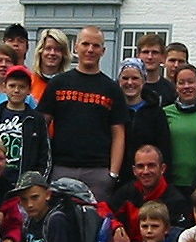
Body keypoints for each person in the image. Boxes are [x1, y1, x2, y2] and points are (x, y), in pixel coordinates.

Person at [38, 25, 127, 202]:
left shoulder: (112, 89)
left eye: (96, 46)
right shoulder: (58, 84)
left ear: (103, 50)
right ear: (76, 47)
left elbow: (119, 134)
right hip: (61, 168)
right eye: (85, 44)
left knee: (95, 224)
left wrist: (112, 174)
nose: (90, 50)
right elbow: (41, 125)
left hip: (98, 172)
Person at [0, 65, 50, 194]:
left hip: (24, 183)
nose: (16, 90)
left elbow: (44, 155)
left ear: (29, 90)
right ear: (4, 87)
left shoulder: (36, 120)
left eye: (22, 87)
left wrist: (37, 182)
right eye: (12, 86)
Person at [108, 144, 189, 242]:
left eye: (151, 165)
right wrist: (115, 226)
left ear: (162, 168)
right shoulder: (128, 191)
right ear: (134, 170)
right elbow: (102, 209)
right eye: (140, 166)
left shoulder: (176, 202)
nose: (145, 171)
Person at [117, 58, 172, 188]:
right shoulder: (114, 110)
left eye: (135, 78)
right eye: (125, 78)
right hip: (118, 181)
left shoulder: (155, 113)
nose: (130, 83)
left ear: (143, 80)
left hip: (147, 181)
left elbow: (164, 149)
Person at [164, 63, 196, 196]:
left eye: (191, 82)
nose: (187, 86)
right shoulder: (164, 113)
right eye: (181, 82)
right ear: (175, 86)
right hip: (171, 185)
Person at [29, 27, 71, 104]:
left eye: (57, 49)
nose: (52, 53)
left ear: (63, 54)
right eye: (48, 48)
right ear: (40, 51)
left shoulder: (69, 84)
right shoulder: (29, 81)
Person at [136, 33, 176, 106]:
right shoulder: (127, 86)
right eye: (146, 52)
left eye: (155, 52)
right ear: (138, 55)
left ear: (163, 57)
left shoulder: (170, 90)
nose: (150, 57)